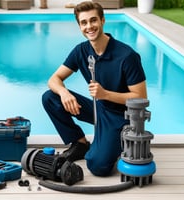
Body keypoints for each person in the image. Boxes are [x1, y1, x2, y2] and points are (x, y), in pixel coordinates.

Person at [42, 1, 147, 177]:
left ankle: (113, 143)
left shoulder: (127, 56)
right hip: (97, 108)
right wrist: (64, 92)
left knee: (98, 166)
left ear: (103, 21)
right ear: (79, 26)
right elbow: (54, 79)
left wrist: (106, 94)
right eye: (84, 22)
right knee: (50, 97)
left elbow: (141, 98)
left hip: (120, 117)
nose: (89, 26)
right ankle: (80, 143)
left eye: (93, 20)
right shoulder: (81, 50)